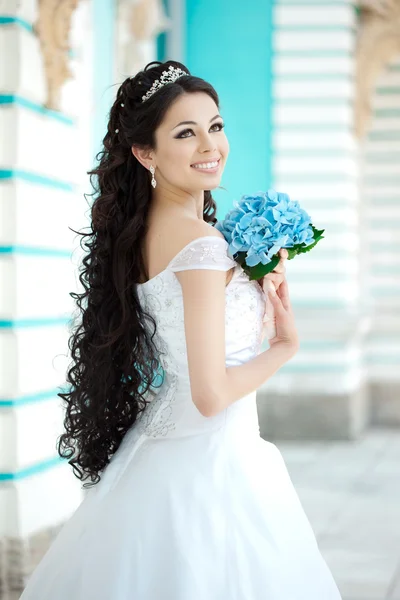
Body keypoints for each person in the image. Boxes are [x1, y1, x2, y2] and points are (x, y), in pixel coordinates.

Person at [20, 60, 342, 599]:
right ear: (146, 153)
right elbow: (212, 393)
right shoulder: (200, 244)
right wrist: (287, 344)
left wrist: (258, 281)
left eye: (215, 126)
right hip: (213, 467)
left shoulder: (152, 234)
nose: (209, 145)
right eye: (185, 133)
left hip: (162, 455)